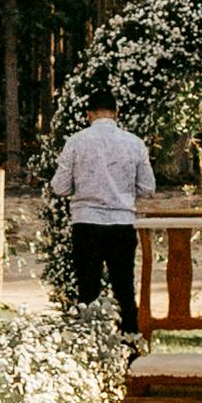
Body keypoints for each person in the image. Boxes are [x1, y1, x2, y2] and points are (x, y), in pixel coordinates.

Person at [46, 104, 155, 331]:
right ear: (116, 113)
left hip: (86, 221)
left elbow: (59, 186)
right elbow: (148, 188)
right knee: (124, 289)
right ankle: (130, 345)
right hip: (122, 223)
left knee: (87, 289)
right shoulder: (134, 143)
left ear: (89, 114)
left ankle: (89, 344)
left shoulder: (76, 141)